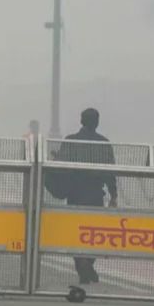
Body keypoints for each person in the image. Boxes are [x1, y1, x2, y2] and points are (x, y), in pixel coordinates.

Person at [54, 108, 118, 285]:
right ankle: (87, 262)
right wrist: (114, 195)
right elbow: (110, 173)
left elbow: (61, 165)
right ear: (97, 122)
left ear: (81, 121)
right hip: (95, 194)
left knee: (76, 232)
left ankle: (82, 264)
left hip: (74, 193)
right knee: (94, 233)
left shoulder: (70, 141)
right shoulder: (103, 144)